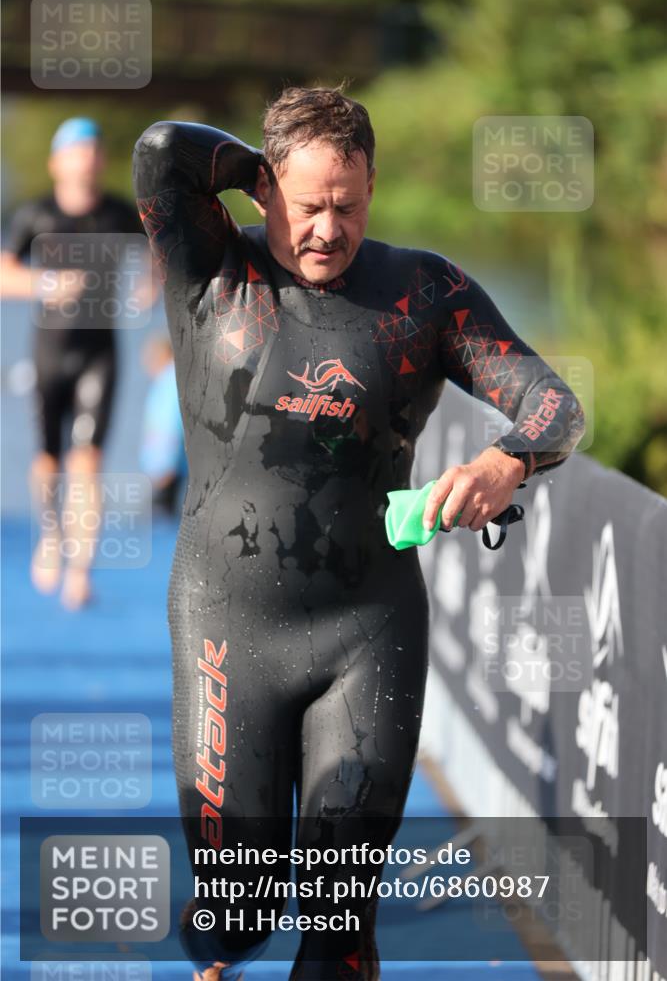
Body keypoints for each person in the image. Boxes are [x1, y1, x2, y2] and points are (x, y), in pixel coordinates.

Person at [132, 85, 585, 981]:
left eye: (348, 205)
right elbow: (159, 152)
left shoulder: (423, 293)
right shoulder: (210, 271)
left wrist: (509, 462)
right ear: (263, 190)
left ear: (373, 187)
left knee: (339, 923)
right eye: (305, 206)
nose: (326, 231)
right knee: (237, 910)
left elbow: (553, 405)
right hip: (229, 626)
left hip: (367, 634)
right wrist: (251, 174)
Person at [1, 117, 155, 609]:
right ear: (57, 162)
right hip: (48, 351)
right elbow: (3, 275)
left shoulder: (117, 213)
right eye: (76, 151)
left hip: (99, 352)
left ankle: (81, 570)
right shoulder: (36, 215)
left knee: (87, 463)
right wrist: (45, 284)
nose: (86, 159)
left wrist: (151, 285)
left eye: (93, 150)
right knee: (48, 461)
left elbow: (160, 249)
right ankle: (50, 535)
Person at [139, 334, 187, 515]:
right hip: (165, 464)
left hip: (167, 467)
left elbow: (171, 424)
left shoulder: (170, 381)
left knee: (162, 517)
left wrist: (165, 464)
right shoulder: (165, 380)